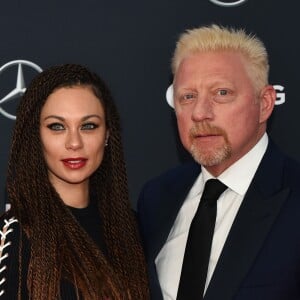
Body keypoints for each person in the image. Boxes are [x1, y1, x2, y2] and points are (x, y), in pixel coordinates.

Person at [138, 24, 300, 300]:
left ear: (265, 103)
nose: (200, 113)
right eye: (188, 97)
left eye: (221, 93)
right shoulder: (156, 197)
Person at [0, 63, 149, 299]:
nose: (74, 143)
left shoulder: (132, 229)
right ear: (36, 136)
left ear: (107, 134)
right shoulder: (16, 235)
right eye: (57, 127)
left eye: (88, 126)